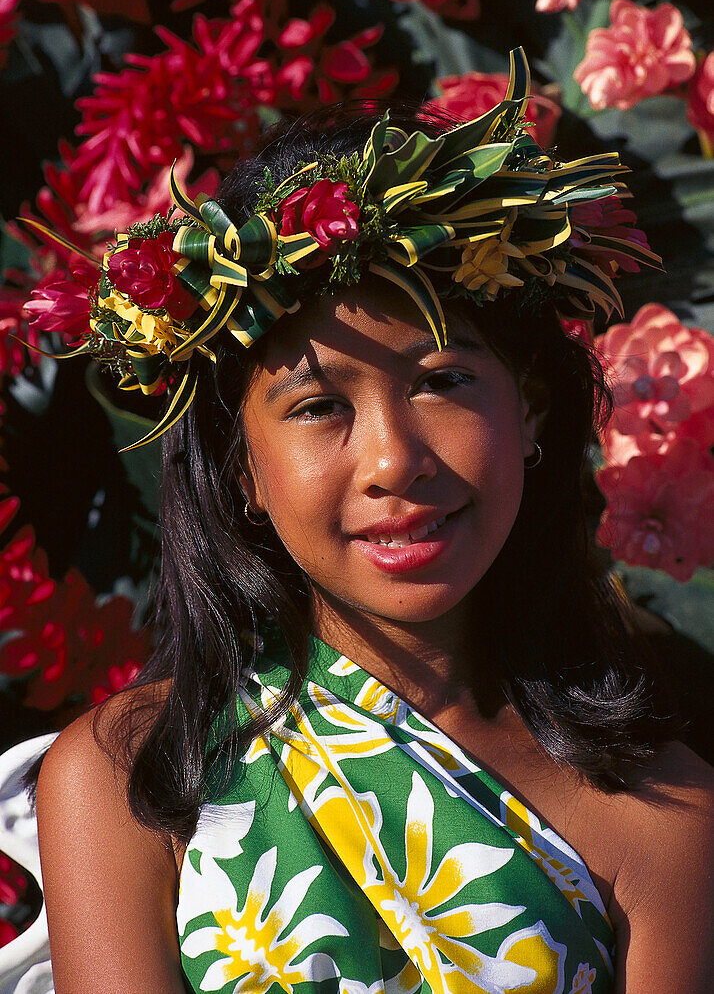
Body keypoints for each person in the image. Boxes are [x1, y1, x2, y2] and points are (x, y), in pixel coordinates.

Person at [3, 49, 714, 994]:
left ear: (533, 409)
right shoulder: (130, 780)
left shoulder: (662, 813)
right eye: (316, 407)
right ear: (240, 466)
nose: (393, 462)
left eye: (445, 382)